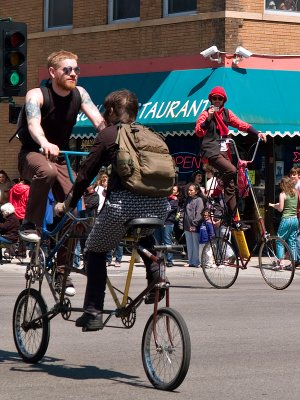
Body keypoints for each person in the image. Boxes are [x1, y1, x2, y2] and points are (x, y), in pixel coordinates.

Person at [55, 89, 169, 330]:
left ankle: (93, 311)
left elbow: (86, 174)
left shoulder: (109, 135)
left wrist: (67, 203)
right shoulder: (152, 135)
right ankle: (156, 275)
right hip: (160, 206)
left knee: (94, 250)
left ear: (109, 111)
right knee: (144, 235)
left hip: (123, 206)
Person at [17, 50, 106, 296]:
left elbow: (98, 121)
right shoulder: (37, 95)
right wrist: (45, 143)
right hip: (33, 154)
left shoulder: (80, 94)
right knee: (45, 170)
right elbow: (34, 125)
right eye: (67, 70)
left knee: (76, 211)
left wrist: (112, 137)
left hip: (61, 157)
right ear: (53, 72)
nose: (73, 74)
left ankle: (62, 272)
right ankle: (30, 225)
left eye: (76, 70)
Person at [195, 86, 267, 230]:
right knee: (232, 170)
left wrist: (257, 133)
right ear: (210, 99)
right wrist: (209, 117)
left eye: (219, 98)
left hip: (223, 151)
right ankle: (218, 187)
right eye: (214, 98)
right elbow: (199, 131)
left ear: (223, 100)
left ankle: (234, 220)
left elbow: (240, 124)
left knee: (231, 186)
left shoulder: (227, 113)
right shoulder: (205, 113)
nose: (216, 101)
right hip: (211, 151)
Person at [269, 176, 298, 266]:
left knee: (279, 240)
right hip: (295, 219)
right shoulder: (295, 192)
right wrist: (277, 204)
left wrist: (274, 206)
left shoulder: (283, 194)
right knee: (292, 240)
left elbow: (281, 209)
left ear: (283, 184)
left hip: (286, 219)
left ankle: (281, 261)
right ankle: (294, 261)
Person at [154, 185, 179, 267]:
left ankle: (169, 261)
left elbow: (167, 210)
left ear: (177, 192)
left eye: (174, 190)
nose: (172, 190)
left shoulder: (175, 201)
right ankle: (157, 259)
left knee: (167, 242)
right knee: (157, 242)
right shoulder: (164, 198)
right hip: (159, 223)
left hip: (168, 223)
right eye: (171, 189)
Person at [183, 183, 204, 268]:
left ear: (196, 191)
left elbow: (199, 213)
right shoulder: (188, 199)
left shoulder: (199, 200)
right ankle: (190, 261)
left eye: (191, 190)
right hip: (187, 225)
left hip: (195, 225)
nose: (189, 191)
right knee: (189, 244)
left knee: (195, 244)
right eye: (189, 190)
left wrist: (194, 224)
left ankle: (196, 261)